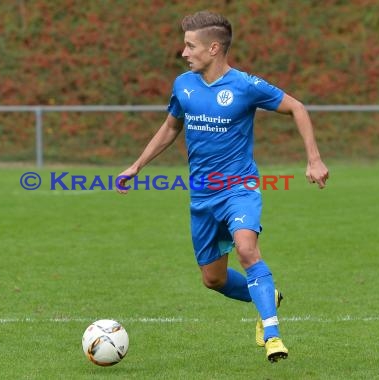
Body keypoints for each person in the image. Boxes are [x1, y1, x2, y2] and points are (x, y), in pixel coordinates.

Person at [116, 10, 329, 362]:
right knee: (212, 279)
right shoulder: (183, 86)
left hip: (238, 188)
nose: (183, 53)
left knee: (247, 249)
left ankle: (273, 334)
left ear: (214, 48)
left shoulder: (245, 86)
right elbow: (171, 128)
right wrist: (137, 166)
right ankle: (267, 296)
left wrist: (314, 159)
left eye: (190, 45)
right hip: (202, 195)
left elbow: (297, 108)